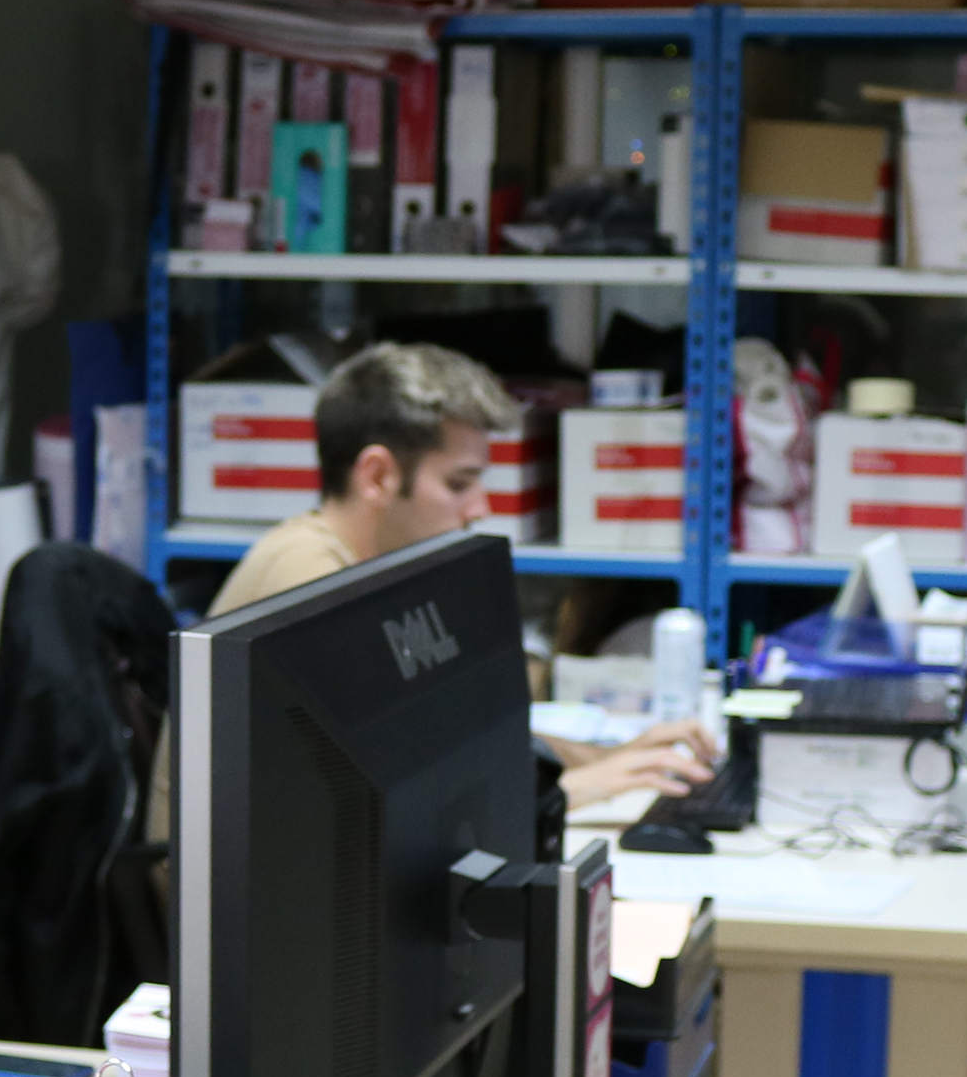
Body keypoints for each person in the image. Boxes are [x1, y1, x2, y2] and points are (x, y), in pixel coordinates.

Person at [206, 341, 714, 811]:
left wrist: (609, 757)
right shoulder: (308, 582)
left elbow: (456, 741)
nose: (480, 508)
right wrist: (576, 790)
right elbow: (405, 795)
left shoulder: (378, 574)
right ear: (378, 477)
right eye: (458, 483)